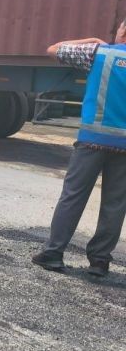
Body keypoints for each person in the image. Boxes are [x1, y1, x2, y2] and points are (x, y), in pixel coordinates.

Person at [32, 19, 126, 277]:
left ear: (123, 31)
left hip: (92, 141)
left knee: (73, 196)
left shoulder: (98, 53)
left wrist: (92, 40)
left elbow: (53, 49)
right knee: (115, 204)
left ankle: (52, 253)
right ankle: (99, 262)